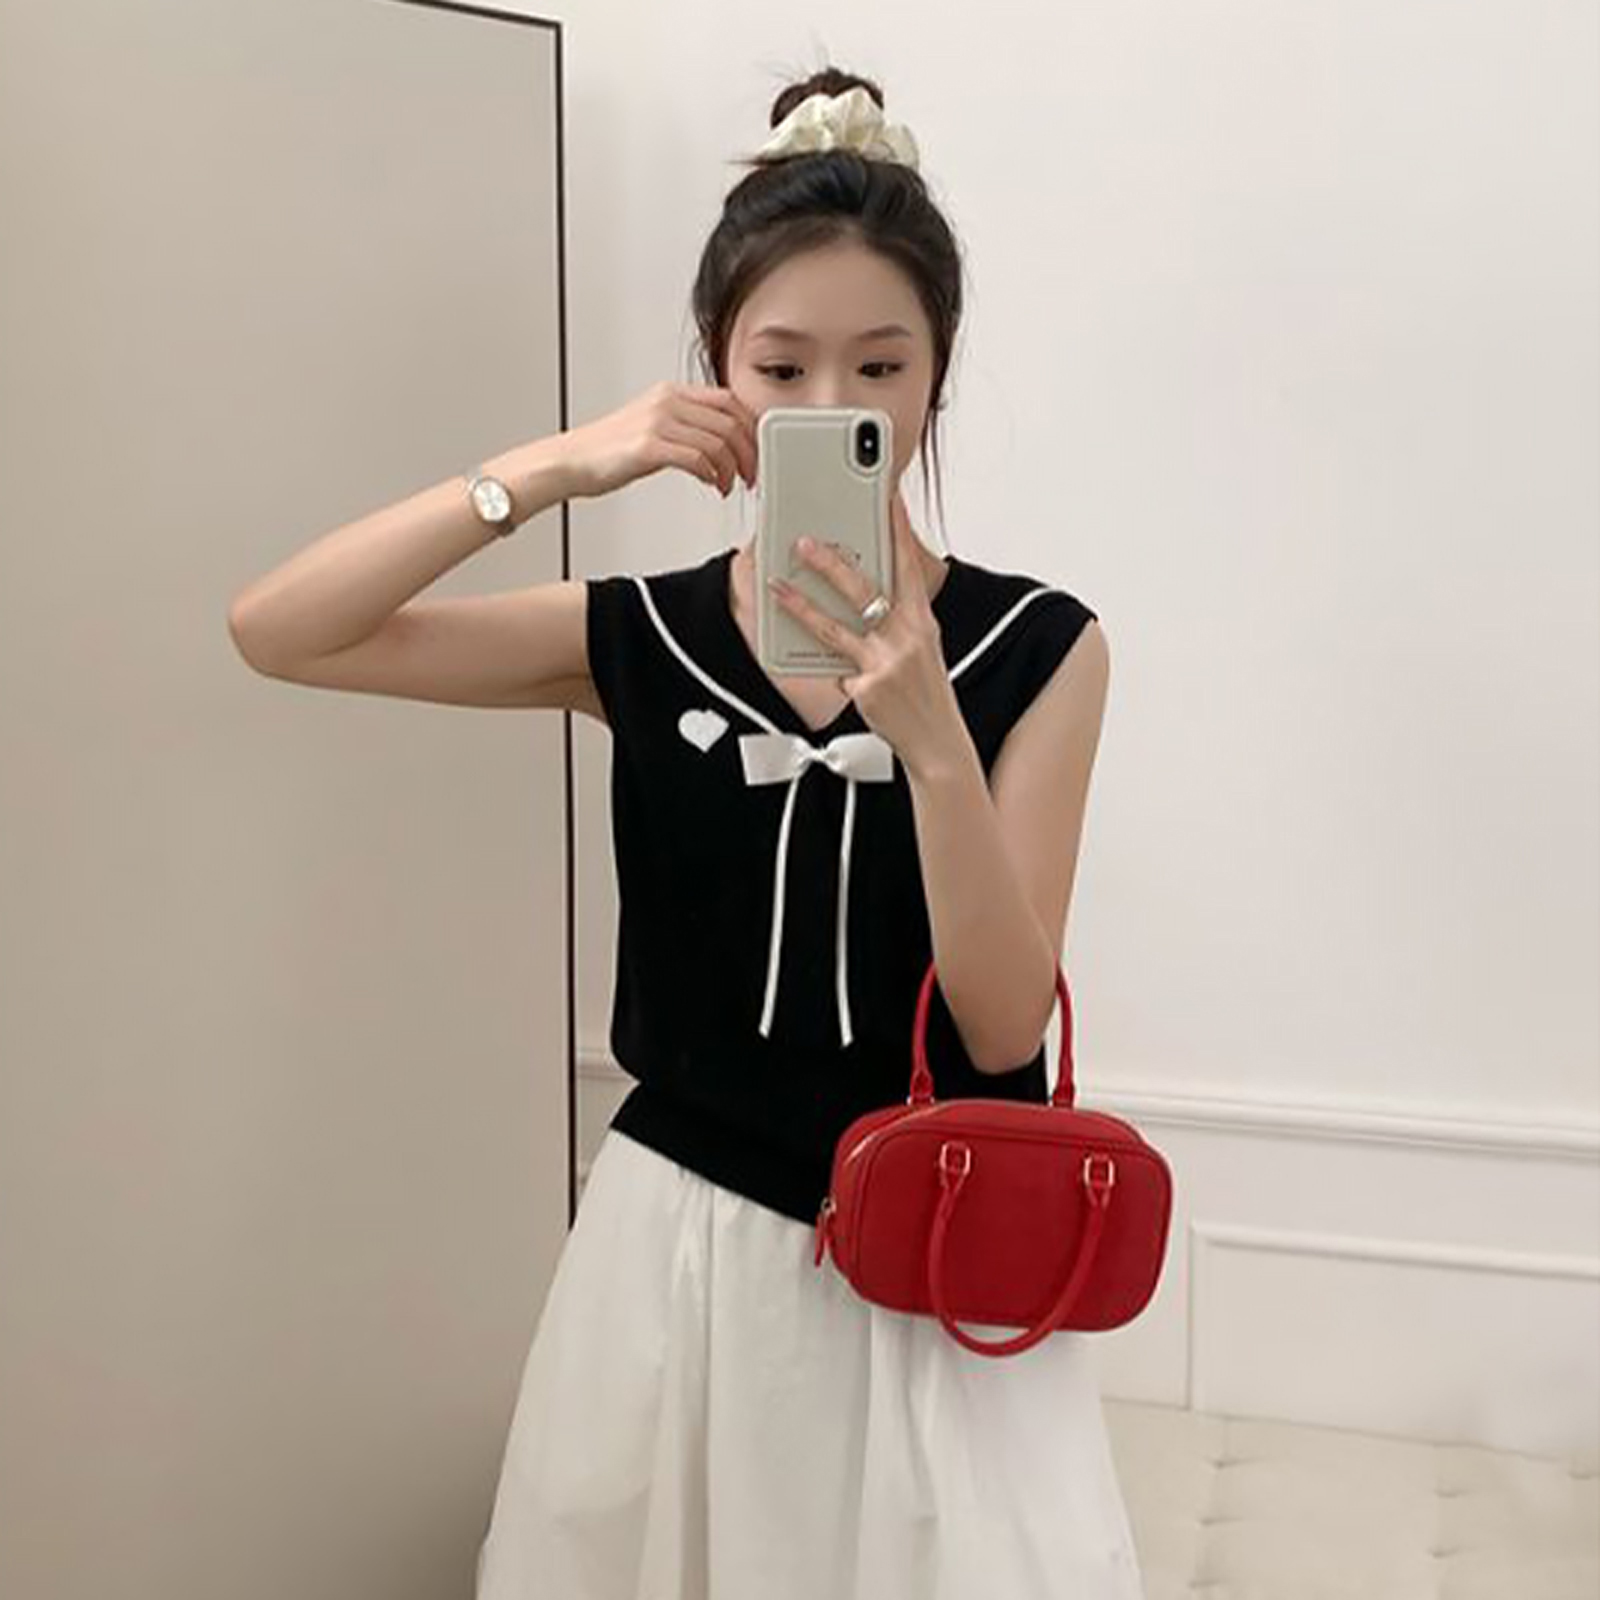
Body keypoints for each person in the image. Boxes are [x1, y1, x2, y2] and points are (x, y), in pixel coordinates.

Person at [229, 63, 1139, 1600]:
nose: (831, 407)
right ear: (716, 368)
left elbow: (1000, 1024)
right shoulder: (639, 637)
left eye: (881, 365)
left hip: (933, 1278)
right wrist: (558, 467)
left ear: (936, 379)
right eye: (781, 367)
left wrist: (931, 744)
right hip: (677, 1265)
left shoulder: (1041, 648)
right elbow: (283, 630)